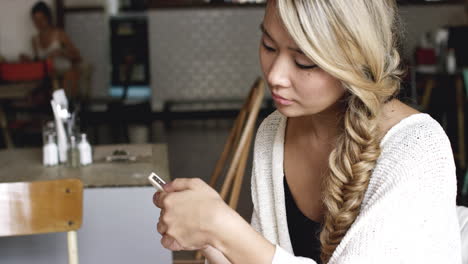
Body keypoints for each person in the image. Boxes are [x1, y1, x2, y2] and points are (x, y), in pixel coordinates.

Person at [153, 0, 462, 263]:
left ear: (355, 61)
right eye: (269, 46)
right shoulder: (273, 133)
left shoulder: (417, 149)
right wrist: (213, 241)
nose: (275, 76)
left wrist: (224, 228)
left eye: (304, 62)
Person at [29, 1, 82, 98]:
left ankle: (62, 110)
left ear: (48, 18)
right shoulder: (34, 40)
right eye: (36, 20)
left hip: (65, 76)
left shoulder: (60, 34)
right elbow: (39, 63)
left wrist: (61, 52)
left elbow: (78, 57)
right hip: (48, 79)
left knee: (59, 94)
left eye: (42, 19)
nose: (39, 23)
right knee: (36, 91)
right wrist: (28, 60)